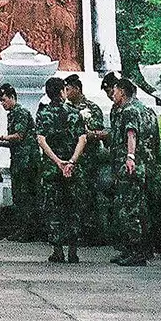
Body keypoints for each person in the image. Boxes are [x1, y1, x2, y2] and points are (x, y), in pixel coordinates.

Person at [35, 74, 87, 264]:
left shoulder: (43, 114)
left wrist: (57, 162)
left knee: (53, 209)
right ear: (62, 91)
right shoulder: (74, 113)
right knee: (73, 208)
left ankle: (58, 251)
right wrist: (71, 161)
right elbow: (82, 139)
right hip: (72, 169)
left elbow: (41, 140)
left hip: (52, 169)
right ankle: (73, 250)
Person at [108, 74, 154, 266]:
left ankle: (136, 250)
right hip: (145, 164)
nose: (113, 94)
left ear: (123, 92)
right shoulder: (146, 110)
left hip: (131, 166)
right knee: (138, 206)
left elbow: (131, 134)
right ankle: (133, 249)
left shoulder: (129, 111)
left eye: (115, 91)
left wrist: (130, 157)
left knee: (129, 208)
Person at [0, 83, 40, 240]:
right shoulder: (13, 113)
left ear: (12, 97)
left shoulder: (20, 112)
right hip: (20, 159)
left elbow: (19, 136)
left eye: (4, 101)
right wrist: (0, 143)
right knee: (19, 195)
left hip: (26, 161)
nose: (3, 105)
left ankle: (27, 230)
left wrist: (1, 137)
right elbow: (16, 141)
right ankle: (24, 229)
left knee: (24, 195)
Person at [63, 72, 107, 245]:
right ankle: (75, 231)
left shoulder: (91, 108)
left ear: (77, 89)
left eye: (68, 89)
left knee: (88, 194)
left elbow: (98, 131)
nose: (66, 93)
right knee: (73, 196)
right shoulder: (66, 108)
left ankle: (90, 233)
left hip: (88, 158)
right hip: (71, 156)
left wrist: (86, 135)